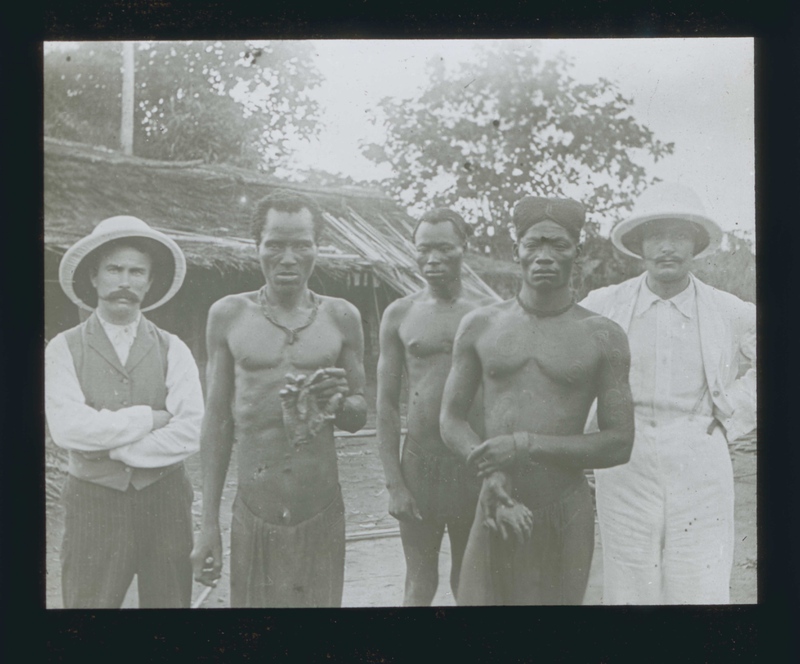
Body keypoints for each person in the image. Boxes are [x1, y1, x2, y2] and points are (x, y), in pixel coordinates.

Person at [440, 196, 635, 605]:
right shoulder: (479, 325)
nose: (544, 255)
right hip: (495, 498)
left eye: (558, 244)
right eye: (534, 244)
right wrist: (491, 474)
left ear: (577, 253)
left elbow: (619, 442)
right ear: (517, 251)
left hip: (564, 507)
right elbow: (451, 419)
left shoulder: (603, 334)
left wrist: (525, 445)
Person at [579, 182, 756, 604]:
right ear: (640, 244)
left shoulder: (727, 309)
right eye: (657, 236)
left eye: (679, 236)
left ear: (695, 245)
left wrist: (732, 408)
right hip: (625, 455)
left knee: (699, 578)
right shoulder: (604, 305)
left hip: (699, 450)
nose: (668, 248)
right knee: (630, 578)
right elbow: (565, 362)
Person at [191, 189, 367, 608]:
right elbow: (216, 422)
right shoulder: (228, 315)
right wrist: (208, 524)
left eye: (301, 245)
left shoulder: (341, 317)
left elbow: (360, 412)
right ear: (257, 248)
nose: (288, 258)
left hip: (321, 508)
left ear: (317, 248)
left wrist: (337, 403)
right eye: (275, 245)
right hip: (255, 510)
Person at [45, 216, 204, 609]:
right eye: (114, 269)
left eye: (137, 272)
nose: (125, 281)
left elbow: (191, 430)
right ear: (94, 277)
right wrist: (149, 419)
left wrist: (117, 450)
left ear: (149, 283)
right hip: (93, 506)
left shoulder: (174, 349)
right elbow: (68, 428)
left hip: (165, 502)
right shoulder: (63, 349)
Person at [377, 208, 494, 606]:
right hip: (419, 465)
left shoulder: (492, 312)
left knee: (472, 583)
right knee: (419, 583)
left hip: (472, 463)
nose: (433, 259)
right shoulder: (400, 314)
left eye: (444, 248)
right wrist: (395, 483)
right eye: (423, 249)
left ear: (465, 247)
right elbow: (387, 406)